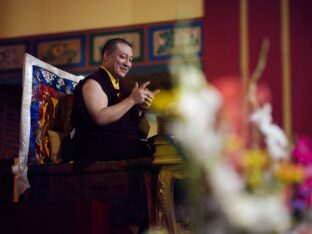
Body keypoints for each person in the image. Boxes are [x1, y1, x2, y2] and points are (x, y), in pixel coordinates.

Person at [67, 38, 158, 164]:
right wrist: (132, 100)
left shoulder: (119, 86)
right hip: (94, 150)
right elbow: (100, 117)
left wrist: (140, 107)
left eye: (130, 59)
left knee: (159, 145)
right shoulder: (93, 82)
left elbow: (123, 121)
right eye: (123, 57)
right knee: (156, 152)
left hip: (115, 146)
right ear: (107, 56)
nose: (127, 64)